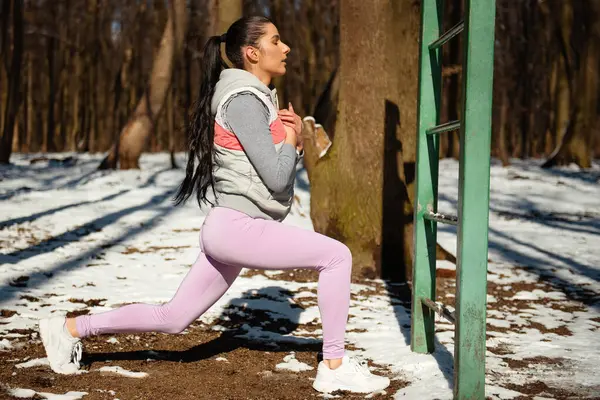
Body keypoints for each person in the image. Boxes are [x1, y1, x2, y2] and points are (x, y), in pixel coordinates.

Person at [38, 16, 390, 394]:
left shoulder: (253, 99)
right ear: (253, 53)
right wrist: (289, 139)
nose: (286, 47)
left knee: (173, 318)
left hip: (231, 227)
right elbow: (275, 177)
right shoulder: (242, 101)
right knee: (337, 256)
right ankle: (334, 365)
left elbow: (269, 172)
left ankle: (69, 328)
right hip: (239, 227)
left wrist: (293, 143)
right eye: (276, 40)